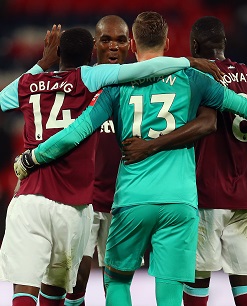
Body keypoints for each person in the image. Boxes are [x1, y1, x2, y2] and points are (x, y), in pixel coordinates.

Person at [13, 12, 247, 306]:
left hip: (132, 199)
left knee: (117, 281)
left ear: (134, 45)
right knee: (169, 291)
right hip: (180, 201)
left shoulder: (117, 87)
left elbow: (76, 132)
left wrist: (34, 157)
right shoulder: (193, 79)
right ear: (167, 42)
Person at [120, 16, 247, 306]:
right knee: (246, 289)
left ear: (194, 45)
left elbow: (207, 123)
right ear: (224, 44)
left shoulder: (200, 77)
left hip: (205, 195)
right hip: (246, 198)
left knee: (197, 287)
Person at [64, 15, 131, 306]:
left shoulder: (139, 84)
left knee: (115, 283)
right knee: (76, 279)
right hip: (83, 199)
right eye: (106, 39)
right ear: (95, 44)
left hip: (123, 200)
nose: (113, 46)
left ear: (130, 45)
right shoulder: (80, 82)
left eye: (120, 40)